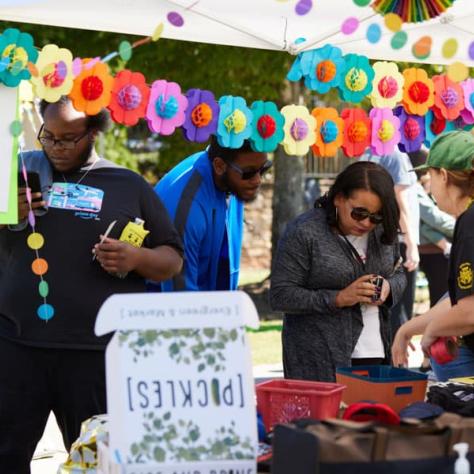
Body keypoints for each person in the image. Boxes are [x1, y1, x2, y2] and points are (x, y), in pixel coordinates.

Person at [0, 96, 183, 473]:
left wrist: (136, 259)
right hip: (16, 348)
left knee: (98, 462)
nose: (56, 148)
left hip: (94, 353)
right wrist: (6, 214)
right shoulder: (11, 178)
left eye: (68, 138)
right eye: (48, 137)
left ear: (94, 132)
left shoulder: (128, 185)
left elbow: (172, 259)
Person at [270, 161, 406, 382]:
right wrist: (339, 298)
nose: (366, 223)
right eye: (359, 213)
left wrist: (389, 289)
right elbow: (280, 295)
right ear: (338, 198)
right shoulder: (305, 232)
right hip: (318, 360)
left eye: (376, 216)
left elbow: (398, 273)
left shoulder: (383, 231)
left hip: (375, 354)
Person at [392, 131, 474, 381]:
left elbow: (469, 312)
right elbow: (459, 300)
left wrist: (433, 330)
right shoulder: (466, 221)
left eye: (430, 175)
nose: (429, 186)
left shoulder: (470, 225)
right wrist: (406, 330)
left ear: (444, 176)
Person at [154, 135, 269, 291]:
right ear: (219, 166)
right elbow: (178, 298)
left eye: (264, 169)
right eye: (248, 173)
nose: (257, 180)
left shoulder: (230, 182)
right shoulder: (189, 205)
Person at [361, 148, 420, 335]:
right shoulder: (396, 155)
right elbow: (399, 199)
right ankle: (397, 361)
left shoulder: (367, 153)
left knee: (380, 305)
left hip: (376, 239)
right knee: (399, 308)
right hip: (398, 240)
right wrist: (411, 243)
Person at [417, 169, 455, 306]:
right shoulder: (418, 192)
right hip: (433, 252)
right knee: (441, 297)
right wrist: (459, 226)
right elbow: (433, 221)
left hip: (436, 249)